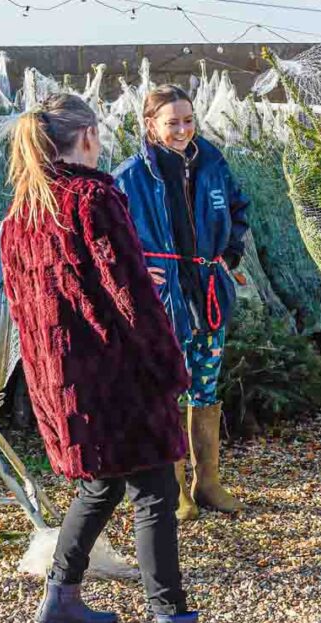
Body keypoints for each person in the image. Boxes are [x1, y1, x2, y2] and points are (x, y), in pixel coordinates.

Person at [0, 93, 241, 623]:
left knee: (101, 485)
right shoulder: (93, 197)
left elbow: (29, 306)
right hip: (117, 378)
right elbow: (130, 295)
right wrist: (167, 367)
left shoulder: (21, 214)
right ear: (85, 136)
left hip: (65, 384)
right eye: (98, 132)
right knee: (155, 493)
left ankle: (60, 597)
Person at [115, 84, 250, 522]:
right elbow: (111, 236)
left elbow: (238, 210)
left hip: (207, 289)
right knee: (169, 389)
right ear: (150, 124)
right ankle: (174, 490)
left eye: (188, 120)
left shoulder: (211, 162)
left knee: (206, 387)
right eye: (172, 122)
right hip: (164, 300)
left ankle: (207, 482)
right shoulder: (132, 176)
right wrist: (136, 271)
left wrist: (228, 257)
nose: (182, 130)